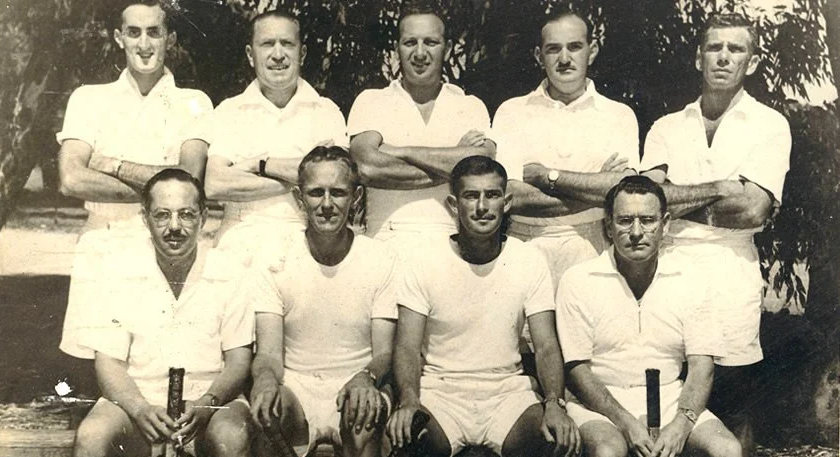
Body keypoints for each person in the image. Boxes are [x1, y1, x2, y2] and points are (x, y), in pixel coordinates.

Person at [641, 13, 791, 457]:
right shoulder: (667, 126)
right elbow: (646, 201)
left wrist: (678, 199)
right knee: (665, 404)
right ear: (698, 57)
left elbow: (752, 209)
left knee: (733, 412)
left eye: (736, 49)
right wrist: (720, 188)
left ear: (752, 62)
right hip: (667, 274)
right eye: (714, 47)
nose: (724, 57)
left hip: (730, 276)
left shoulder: (770, 125)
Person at [387, 156, 580, 457]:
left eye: (492, 195)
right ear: (453, 204)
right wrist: (409, 400)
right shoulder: (422, 260)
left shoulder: (528, 259)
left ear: (507, 202)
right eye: (470, 196)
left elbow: (546, 345)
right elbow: (406, 347)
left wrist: (554, 402)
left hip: (506, 393)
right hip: (440, 393)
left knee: (566, 444)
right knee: (396, 437)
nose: (481, 207)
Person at [68, 169, 254, 457]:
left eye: (186, 214)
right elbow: (108, 363)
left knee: (233, 437)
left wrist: (207, 404)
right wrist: (139, 408)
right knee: (91, 437)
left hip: (209, 402)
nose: (174, 227)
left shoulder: (231, 270)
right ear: (145, 218)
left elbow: (239, 361)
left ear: (204, 217)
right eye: (162, 215)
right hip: (138, 401)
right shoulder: (117, 272)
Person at [557, 176, 746, 457]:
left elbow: (702, 367)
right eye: (624, 221)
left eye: (647, 220)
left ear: (665, 224)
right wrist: (627, 424)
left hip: (672, 400)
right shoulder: (578, 280)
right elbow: (577, 371)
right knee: (608, 456)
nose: (636, 232)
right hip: (598, 406)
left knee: (729, 456)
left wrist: (682, 424)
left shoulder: (691, 279)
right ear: (608, 226)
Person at [58, 0, 213, 359]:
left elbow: (188, 182)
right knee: (92, 366)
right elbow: (71, 179)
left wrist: (111, 164)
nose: (144, 44)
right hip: (102, 244)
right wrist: (162, 183)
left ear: (170, 39)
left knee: (158, 363)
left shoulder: (194, 103)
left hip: (165, 247)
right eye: (134, 32)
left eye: (154, 32)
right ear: (119, 38)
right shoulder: (89, 99)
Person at [249, 147, 398, 457]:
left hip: (356, 383)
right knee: (269, 410)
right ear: (299, 198)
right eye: (316, 192)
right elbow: (268, 354)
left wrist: (366, 378)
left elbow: (384, 354)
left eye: (338, 192)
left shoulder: (380, 257)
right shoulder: (275, 257)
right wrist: (266, 381)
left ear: (356, 197)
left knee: (363, 413)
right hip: (297, 385)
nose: (327, 204)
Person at [491, 7, 640, 290]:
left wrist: (546, 177)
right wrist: (597, 188)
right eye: (553, 49)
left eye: (574, 47)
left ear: (591, 51)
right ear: (539, 56)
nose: (564, 59)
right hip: (525, 245)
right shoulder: (512, 112)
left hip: (594, 247)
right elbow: (511, 196)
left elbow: (624, 193)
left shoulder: (619, 115)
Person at [200, 10, 347, 265]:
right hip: (239, 248)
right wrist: (304, 177)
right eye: (267, 44)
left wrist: (259, 166)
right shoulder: (229, 110)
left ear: (302, 53)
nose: (278, 54)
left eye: (287, 44)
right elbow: (215, 184)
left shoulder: (326, 111)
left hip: (305, 249)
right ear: (250, 54)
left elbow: (338, 180)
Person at [348, 2, 494, 254]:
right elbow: (366, 166)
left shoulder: (470, 105)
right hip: (385, 241)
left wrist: (398, 151)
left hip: (453, 245)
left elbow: (483, 165)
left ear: (447, 49)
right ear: (397, 49)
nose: (419, 53)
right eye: (410, 42)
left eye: (430, 42)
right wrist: (456, 162)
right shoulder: (371, 101)